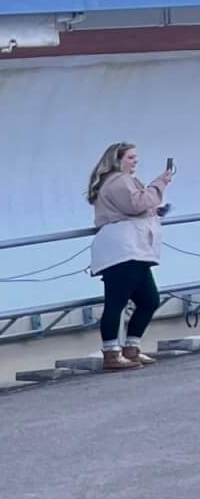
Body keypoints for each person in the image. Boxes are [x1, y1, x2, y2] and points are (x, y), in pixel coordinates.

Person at [87, 142, 175, 371]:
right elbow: (136, 204)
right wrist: (160, 183)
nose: (135, 161)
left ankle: (131, 347)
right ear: (117, 159)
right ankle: (111, 352)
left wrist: (154, 211)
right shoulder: (118, 180)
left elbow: (131, 207)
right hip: (124, 250)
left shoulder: (118, 182)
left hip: (133, 250)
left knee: (149, 300)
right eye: (130, 157)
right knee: (116, 302)